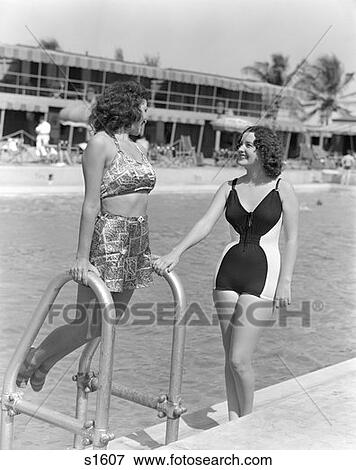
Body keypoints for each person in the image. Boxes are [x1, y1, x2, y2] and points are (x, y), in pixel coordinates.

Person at [16, 81, 156, 391]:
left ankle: (44, 362)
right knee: (88, 323)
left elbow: (140, 199)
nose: (148, 116)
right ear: (128, 108)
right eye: (144, 109)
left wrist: (147, 251)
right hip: (108, 240)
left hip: (136, 242)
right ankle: (33, 359)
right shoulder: (100, 144)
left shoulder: (139, 146)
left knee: (108, 322)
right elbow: (91, 202)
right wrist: (81, 256)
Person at [153, 126, 299, 420]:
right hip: (226, 275)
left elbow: (292, 238)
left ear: (264, 151)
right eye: (240, 144)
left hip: (264, 275)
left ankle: (248, 422)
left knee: (240, 359)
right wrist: (175, 252)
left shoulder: (282, 187)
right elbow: (205, 224)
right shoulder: (228, 187)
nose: (240, 149)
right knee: (229, 357)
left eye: (248, 145)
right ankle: (233, 421)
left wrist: (286, 281)